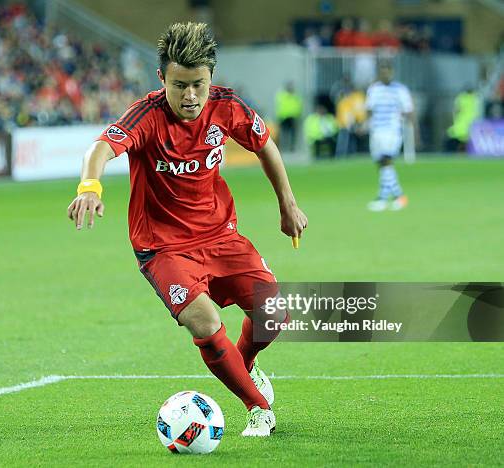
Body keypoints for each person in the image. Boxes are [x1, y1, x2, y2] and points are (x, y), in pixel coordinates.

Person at [67, 22, 308, 437]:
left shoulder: (227, 106)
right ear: (162, 79)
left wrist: (287, 204)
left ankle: (244, 368)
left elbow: (264, 143)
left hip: (220, 236)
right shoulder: (147, 116)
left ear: (212, 77)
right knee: (204, 321)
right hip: (163, 248)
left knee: (274, 315)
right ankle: (257, 406)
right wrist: (90, 186)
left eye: (198, 84)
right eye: (179, 85)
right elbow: (101, 147)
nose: (190, 96)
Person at [365, 63, 413, 211]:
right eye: (382, 72)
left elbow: (408, 110)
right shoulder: (374, 89)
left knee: (387, 160)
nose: (385, 75)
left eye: (388, 72)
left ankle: (383, 198)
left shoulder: (400, 90)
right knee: (381, 163)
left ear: (392, 72)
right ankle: (398, 196)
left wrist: (411, 130)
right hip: (377, 130)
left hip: (391, 130)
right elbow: (369, 109)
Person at [445, 87, 481, 152]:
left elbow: (456, 110)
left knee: (453, 138)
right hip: (472, 125)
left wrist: (455, 118)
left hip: (461, 126)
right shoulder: (476, 98)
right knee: (467, 141)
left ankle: (453, 152)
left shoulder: (461, 98)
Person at [275, 82, 303, 153]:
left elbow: (299, 106)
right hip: (284, 117)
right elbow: (278, 106)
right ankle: (283, 147)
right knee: (283, 133)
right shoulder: (282, 95)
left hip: (293, 117)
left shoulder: (296, 96)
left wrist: (298, 115)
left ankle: (291, 148)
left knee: (293, 134)